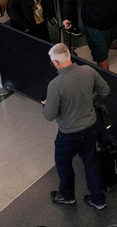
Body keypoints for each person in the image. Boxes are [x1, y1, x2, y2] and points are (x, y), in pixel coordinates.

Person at [43, 42, 110, 209]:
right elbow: (105, 90)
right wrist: (90, 99)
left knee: (63, 162)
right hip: (92, 127)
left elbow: (49, 115)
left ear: (56, 63)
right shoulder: (88, 71)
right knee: (91, 162)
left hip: (69, 133)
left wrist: (45, 104)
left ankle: (67, 196)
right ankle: (98, 199)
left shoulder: (55, 84)